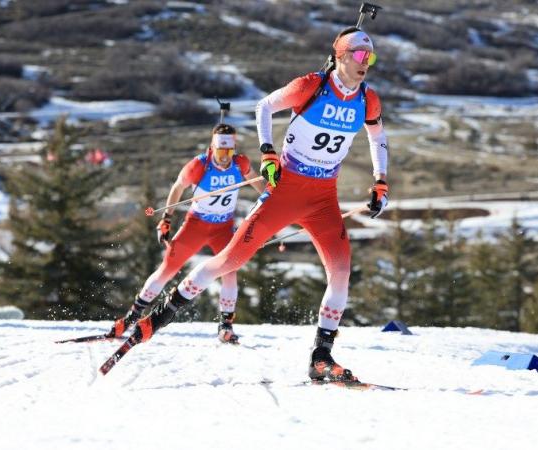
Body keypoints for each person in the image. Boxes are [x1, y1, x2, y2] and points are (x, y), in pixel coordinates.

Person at [125, 27, 389, 381]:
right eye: (358, 55)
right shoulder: (311, 86)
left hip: (324, 197)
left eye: (369, 57)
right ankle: (156, 319)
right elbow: (263, 106)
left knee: (340, 274)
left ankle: (321, 357)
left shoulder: (368, 99)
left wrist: (380, 180)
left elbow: (378, 136)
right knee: (228, 261)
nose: (365, 63)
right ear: (340, 56)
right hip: (285, 190)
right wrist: (267, 153)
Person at [107, 123, 264, 344]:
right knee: (167, 269)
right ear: (212, 147)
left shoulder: (241, 163)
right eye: (221, 151)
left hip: (223, 229)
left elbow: (257, 182)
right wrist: (166, 219)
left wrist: (271, 198)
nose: (225, 157)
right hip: (196, 226)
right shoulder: (199, 165)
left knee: (230, 273)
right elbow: (178, 188)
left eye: (229, 151)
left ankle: (225, 326)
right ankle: (132, 317)